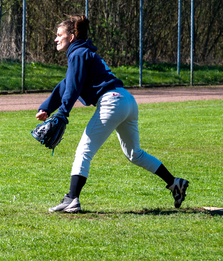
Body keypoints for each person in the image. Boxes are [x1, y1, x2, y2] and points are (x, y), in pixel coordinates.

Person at [36, 15, 189, 213]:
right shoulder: (83, 53)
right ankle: (174, 182)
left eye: (59, 35)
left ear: (72, 36)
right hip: (126, 100)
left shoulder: (78, 54)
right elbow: (66, 85)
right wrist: (48, 107)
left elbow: (73, 87)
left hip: (111, 102)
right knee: (134, 153)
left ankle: (72, 199)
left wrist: (63, 113)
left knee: (84, 150)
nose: (56, 39)